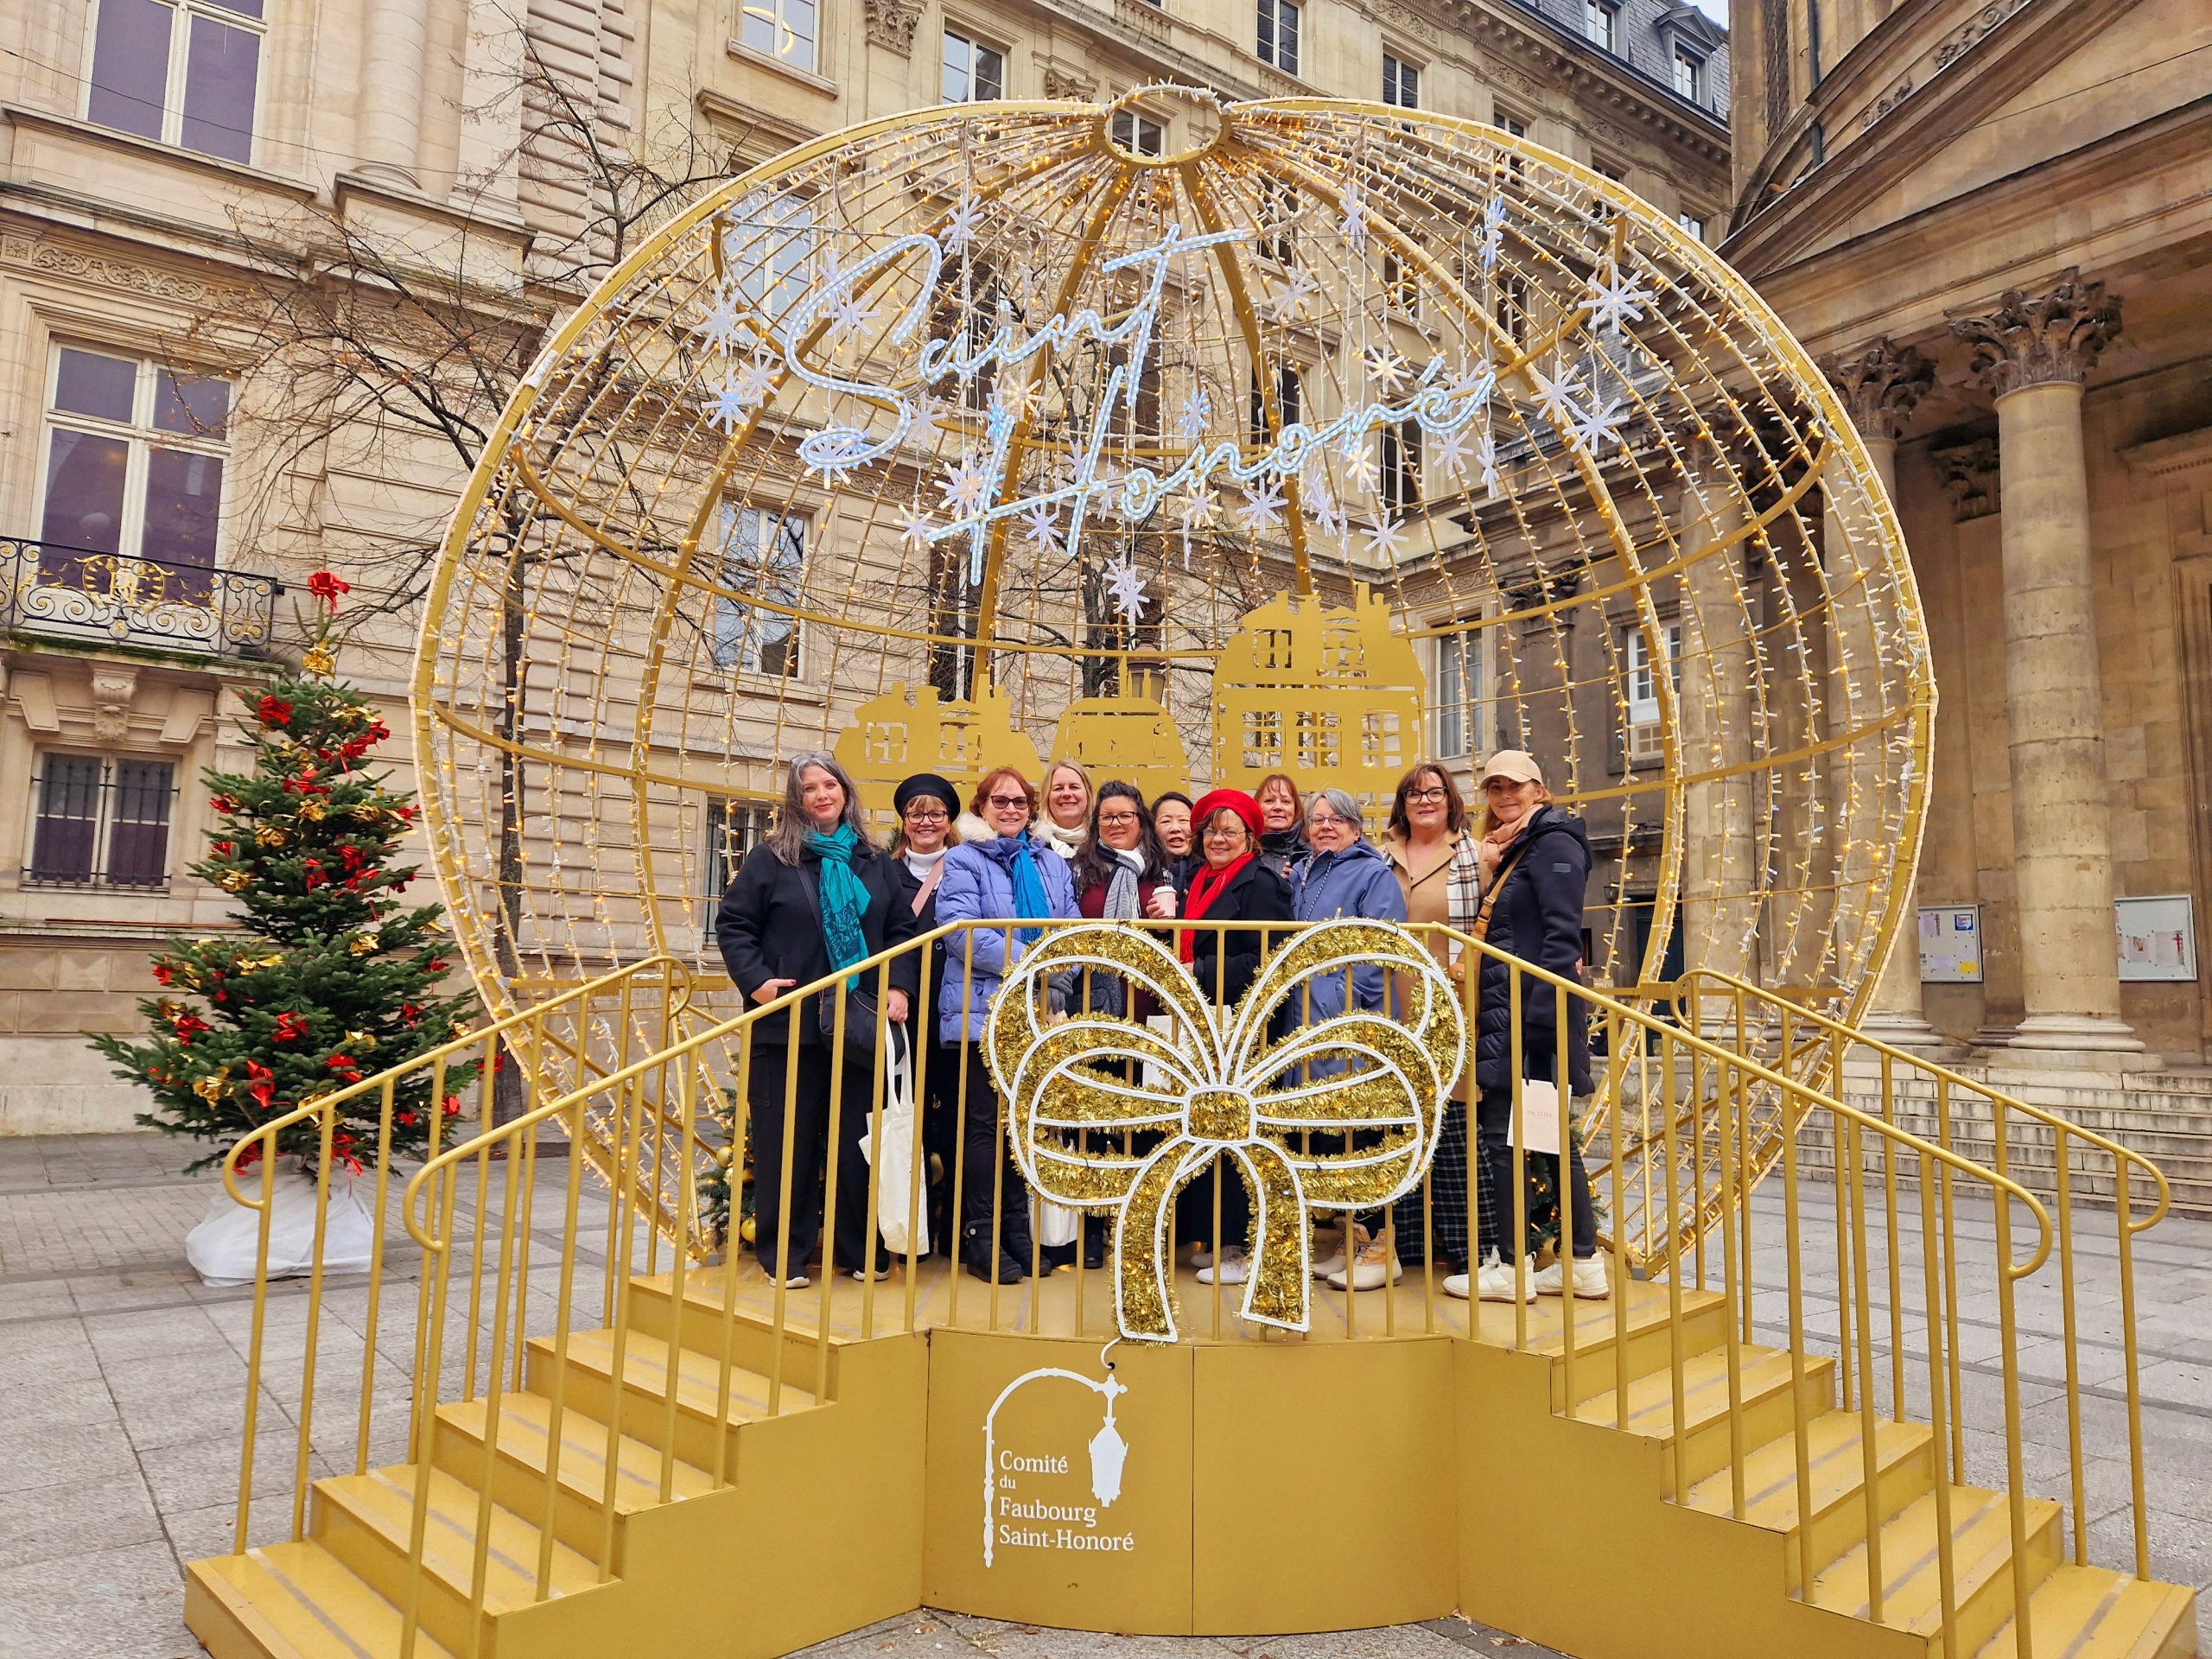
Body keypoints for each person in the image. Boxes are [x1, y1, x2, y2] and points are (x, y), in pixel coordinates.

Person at [716, 753, 919, 1288]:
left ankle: (862, 1250)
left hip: (859, 1023)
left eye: (831, 783)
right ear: (796, 799)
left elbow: (902, 929)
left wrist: (897, 983)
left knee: (860, 1144)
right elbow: (735, 924)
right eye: (810, 788)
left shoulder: (873, 861)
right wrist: (757, 981)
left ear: (846, 791)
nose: (822, 794)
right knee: (791, 1142)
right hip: (791, 1024)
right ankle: (784, 1256)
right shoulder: (771, 859)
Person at [1462, 750, 1605, 1303]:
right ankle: (1582, 1263)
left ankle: (1513, 1265)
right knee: (1548, 1142)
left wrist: (1540, 1022)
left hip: (1528, 1019)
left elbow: (1563, 937)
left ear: (1539, 790)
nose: (1504, 797)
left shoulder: (1555, 845)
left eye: (1515, 787)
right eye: (1495, 788)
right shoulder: (1522, 847)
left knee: (1505, 1140)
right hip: (1514, 1012)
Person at [933, 766, 1081, 1282]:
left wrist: (1060, 968)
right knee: (982, 1130)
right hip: (983, 1012)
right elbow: (960, 931)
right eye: (1001, 801)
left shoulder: (1050, 864)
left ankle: (1018, 1232)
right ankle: (982, 1235)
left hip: (1040, 1014)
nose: (1012, 809)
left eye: (1020, 802)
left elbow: (1072, 928)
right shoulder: (963, 859)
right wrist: (1034, 962)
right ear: (982, 808)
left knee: (1022, 1129)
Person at [1287, 789, 1410, 1293]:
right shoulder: (1304, 875)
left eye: (1336, 819)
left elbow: (1383, 945)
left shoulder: (1373, 873)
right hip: (1307, 1021)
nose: (1324, 826)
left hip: (1352, 1021)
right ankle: (1351, 1236)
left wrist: (1347, 1002)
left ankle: (1385, 1245)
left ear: (1357, 829)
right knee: (1334, 1133)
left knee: (1368, 1127)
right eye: (1316, 819)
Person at [1176, 788, 1293, 1288]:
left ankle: (1246, 1246)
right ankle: (1223, 1239)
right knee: (1214, 1128)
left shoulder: (1259, 881)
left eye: (1229, 830)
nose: (1217, 838)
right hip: (1212, 1018)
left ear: (1249, 836)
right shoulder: (1203, 878)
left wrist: (1198, 968)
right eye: (1210, 830)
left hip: (1245, 1020)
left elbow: (1271, 955)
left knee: (1242, 1132)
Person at [1380, 762, 1484, 1295]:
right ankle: (1408, 1246)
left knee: (1457, 1127)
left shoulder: (1475, 854)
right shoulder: (1382, 853)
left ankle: (1474, 1252)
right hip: (1390, 1003)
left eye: (1435, 793)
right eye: (1414, 793)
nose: (1424, 801)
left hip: (1451, 1003)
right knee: (1404, 1121)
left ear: (1450, 800)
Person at [1065, 781, 1179, 1269]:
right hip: (1097, 1010)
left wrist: (1173, 917)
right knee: (1096, 1120)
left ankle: (1148, 1229)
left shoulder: (1168, 872)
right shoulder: (1079, 873)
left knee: (1152, 1124)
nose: (1116, 823)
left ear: (1141, 821)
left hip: (1151, 1012)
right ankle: (1092, 1232)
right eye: (1107, 816)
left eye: (1126, 816)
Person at [887, 772, 962, 1256]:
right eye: (917, 813)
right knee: (903, 1118)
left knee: (953, 1121)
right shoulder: (882, 870)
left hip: (953, 1011)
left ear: (950, 819)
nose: (926, 822)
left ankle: (955, 1229)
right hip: (903, 1011)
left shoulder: (965, 867)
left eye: (936, 813)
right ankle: (908, 1230)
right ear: (904, 821)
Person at [1253, 772, 1309, 881]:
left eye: (1285, 801)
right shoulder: (1242, 852)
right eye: (1269, 801)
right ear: (1257, 807)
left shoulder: (1312, 852)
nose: (1278, 807)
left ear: (1296, 809)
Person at [1037, 760, 1093, 860]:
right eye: (1058, 788)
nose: (1066, 794)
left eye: (1074, 787)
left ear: (1088, 794)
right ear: (1047, 796)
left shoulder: (1104, 842)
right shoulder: (1032, 843)